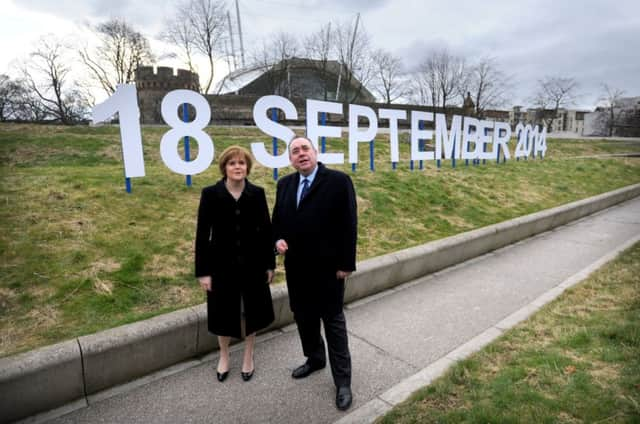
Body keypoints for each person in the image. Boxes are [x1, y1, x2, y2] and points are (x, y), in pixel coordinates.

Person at [272, 136, 358, 411]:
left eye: (304, 148)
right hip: (297, 269)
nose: (300, 154)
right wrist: (277, 241)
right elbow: (277, 223)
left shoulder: (338, 181)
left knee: (333, 323)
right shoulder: (284, 185)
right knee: (304, 318)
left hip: (329, 270)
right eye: (295, 151)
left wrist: (346, 264)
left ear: (315, 152)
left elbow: (349, 224)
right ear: (291, 159)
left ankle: (343, 382)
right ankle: (315, 359)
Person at [195, 145, 275, 383]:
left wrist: (270, 264)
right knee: (222, 312)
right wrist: (203, 272)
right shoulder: (210, 194)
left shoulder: (257, 193)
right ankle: (224, 356)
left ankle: (249, 356)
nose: (237, 167)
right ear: (225, 168)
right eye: (232, 163)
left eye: (241, 163)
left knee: (253, 311)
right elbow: (202, 234)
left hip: (254, 263)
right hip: (221, 265)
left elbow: (266, 231)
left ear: (247, 167)